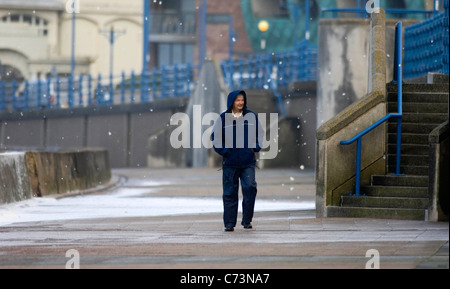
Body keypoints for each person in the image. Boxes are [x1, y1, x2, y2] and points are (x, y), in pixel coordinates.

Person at [211, 90, 263, 232]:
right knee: (229, 193)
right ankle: (229, 223)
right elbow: (215, 138)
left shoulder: (251, 116)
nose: (240, 103)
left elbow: (260, 133)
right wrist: (225, 151)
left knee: (250, 188)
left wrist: (256, 147)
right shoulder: (223, 118)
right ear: (232, 102)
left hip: (248, 162)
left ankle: (247, 220)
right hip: (230, 163)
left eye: (242, 100)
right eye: (237, 100)